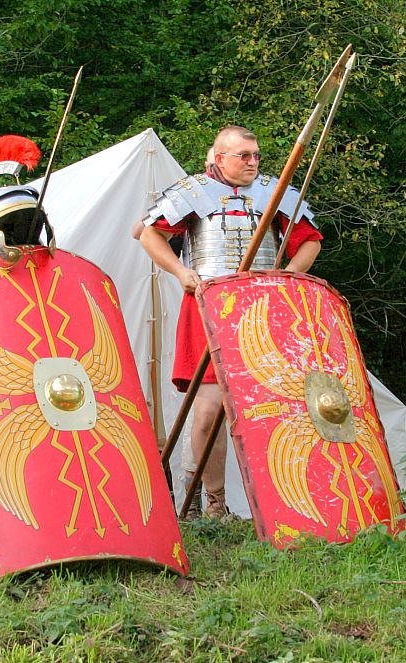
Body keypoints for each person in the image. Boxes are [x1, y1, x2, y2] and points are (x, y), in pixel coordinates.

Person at [138, 126, 322, 517]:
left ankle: (284, 500)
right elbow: (149, 235)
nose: (253, 162)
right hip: (208, 308)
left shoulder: (275, 192)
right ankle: (211, 503)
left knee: (273, 406)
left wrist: (284, 278)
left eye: (256, 155)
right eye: (244, 156)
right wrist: (180, 272)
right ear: (220, 158)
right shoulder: (193, 192)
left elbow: (310, 240)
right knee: (208, 410)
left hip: (261, 309)